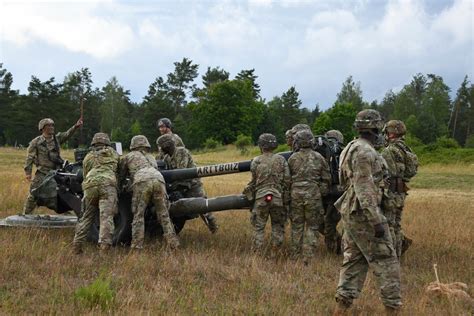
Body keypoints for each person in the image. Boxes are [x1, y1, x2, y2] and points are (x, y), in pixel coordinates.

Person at [334, 109, 402, 314]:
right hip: (365, 214)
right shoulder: (365, 152)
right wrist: (377, 221)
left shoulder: (350, 147)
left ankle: (341, 308)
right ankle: (393, 309)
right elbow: (364, 188)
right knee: (387, 261)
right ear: (375, 127)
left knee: (354, 261)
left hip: (353, 212)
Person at [119, 135, 179, 250]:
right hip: (159, 179)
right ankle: (173, 243)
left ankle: (137, 246)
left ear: (133, 145)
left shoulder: (129, 156)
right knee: (164, 214)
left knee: (138, 215)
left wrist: (121, 188)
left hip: (142, 181)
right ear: (146, 145)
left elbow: (121, 176)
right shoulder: (151, 157)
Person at [157, 134, 218, 233]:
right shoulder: (167, 157)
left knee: (203, 207)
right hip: (178, 186)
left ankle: (213, 228)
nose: (160, 149)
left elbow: (181, 170)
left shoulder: (181, 151)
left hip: (192, 184)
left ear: (166, 145)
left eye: (161, 146)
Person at [23, 117, 83, 215]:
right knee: (34, 194)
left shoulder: (57, 139)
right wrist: (28, 173)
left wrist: (75, 126)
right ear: (42, 128)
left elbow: (67, 134)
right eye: (48, 125)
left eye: (52, 125)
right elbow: (30, 158)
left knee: (64, 193)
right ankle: (25, 216)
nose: (51, 127)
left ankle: (66, 213)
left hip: (57, 173)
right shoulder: (36, 142)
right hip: (42, 173)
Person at [243, 133, 290, 255]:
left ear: (261, 145)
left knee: (258, 227)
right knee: (278, 227)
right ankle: (276, 252)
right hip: (277, 198)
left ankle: (257, 253)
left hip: (261, 198)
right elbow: (287, 180)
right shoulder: (281, 160)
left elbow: (253, 180)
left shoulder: (256, 161)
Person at [288, 130, 331, 262]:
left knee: (296, 226)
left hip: (295, 195)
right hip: (313, 195)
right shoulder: (319, 158)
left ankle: (295, 256)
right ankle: (308, 257)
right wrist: (321, 191)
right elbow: (326, 178)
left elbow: (286, 179)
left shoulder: (292, 158)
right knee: (313, 226)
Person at [72, 133, 119, 254]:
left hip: (90, 185)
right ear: (107, 143)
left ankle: (77, 246)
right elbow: (119, 169)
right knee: (106, 217)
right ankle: (104, 249)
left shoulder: (88, 157)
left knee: (86, 217)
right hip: (107, 185)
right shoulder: (113, 153)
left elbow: (85, 174)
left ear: (93, 143)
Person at [381, 120, 418, 258]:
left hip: (390, 193)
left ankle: (391, 258)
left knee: (389, 226)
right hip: (401, 192)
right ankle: (396, 256)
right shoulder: (406, 149)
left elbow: (385, 172)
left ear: (391, 134)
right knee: (396, 225)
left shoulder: (389, 150)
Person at [321, 129, 345, 254]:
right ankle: (336, 246)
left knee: (329, 224)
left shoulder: (342, 153)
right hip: (331, 193)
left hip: (336, 194)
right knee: (325, 223)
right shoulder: (344, 152)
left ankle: (336, 249)